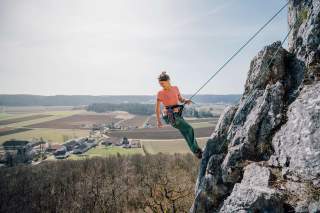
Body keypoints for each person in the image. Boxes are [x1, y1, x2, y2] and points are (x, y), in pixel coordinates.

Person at [155, 71, 203, 159]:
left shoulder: (175, 88)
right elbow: (158, 109)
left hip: (178, 114)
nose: (161, 85)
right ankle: (196, 150)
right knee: (189, 129)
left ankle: (196, 152)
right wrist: (158, 121)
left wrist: (186, 100)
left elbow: (180, 99)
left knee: (186, 133)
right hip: (170, 116)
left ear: (168, 80)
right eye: (160, 84)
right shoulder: (160, 93)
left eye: (162, 83)